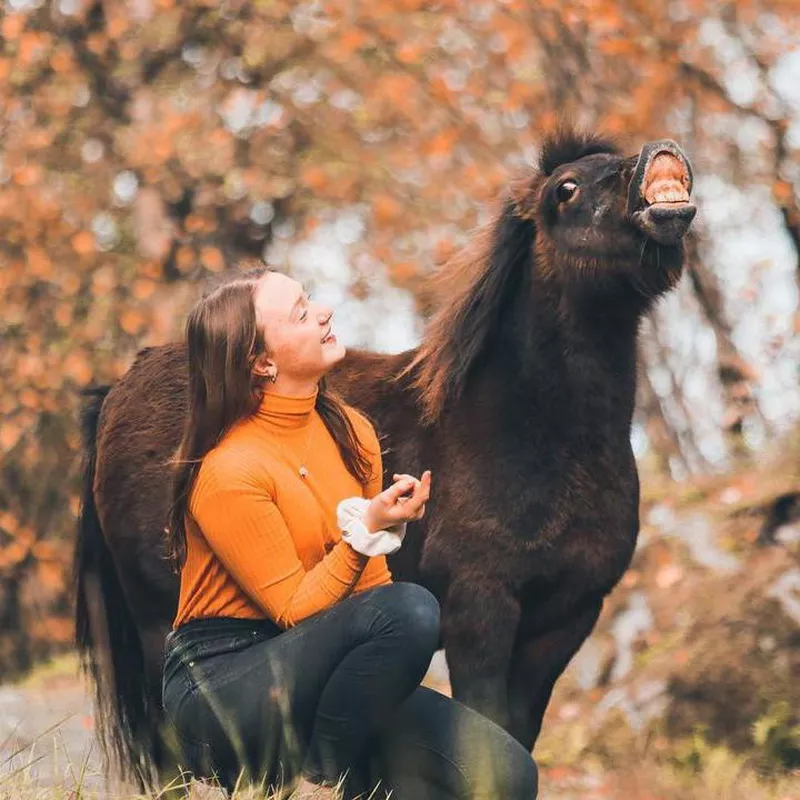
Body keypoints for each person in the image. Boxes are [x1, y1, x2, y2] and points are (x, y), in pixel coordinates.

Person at [162, 263, 538, 799]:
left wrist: (376, 533)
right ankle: (319, 786)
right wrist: (365, 531)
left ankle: (337, 774)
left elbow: (369, 602)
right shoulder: (230, 469)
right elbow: (294, 608)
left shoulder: (349, 431)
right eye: (300, 313)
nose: (323, 312)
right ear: (262, 362)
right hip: (224, 684)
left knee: (508, 777)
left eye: (310, 299)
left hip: (324, 672)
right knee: (413, 610)